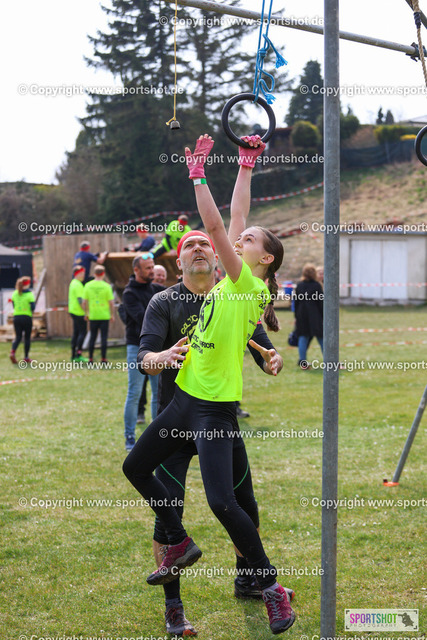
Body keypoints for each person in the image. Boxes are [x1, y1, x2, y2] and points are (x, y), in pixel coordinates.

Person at [123, 134, 295, 635]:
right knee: (135, 466)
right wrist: (245, 164)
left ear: (264, 260)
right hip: (183, 403)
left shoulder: (245, 284)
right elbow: (236, 217)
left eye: (249, 242)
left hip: (213, 410)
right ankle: (178, 542)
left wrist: (197, 174)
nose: (237, 241)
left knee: (224, 503)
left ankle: (269, 586)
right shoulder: (232, 280)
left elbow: (219, 225)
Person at [122, 253, 165, 451]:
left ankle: (157, 438)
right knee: (135, 393)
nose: (152, 271)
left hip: (158, 349)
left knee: (159, 394)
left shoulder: (156, 289)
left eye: (152, 267)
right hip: (136, 348)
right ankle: (130, 438)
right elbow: (144, 318)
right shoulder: (129, 293)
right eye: (148, 268)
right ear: (136, 270)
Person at [294, 263, 324, 369]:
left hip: (301, 315)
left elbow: (296, 302)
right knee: (321, 337)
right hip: (314, 316)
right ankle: (329, 360)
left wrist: (296, 316)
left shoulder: (299, 285)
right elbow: (321, 303)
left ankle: (302, 361)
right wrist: (323, 316)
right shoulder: (317, 286)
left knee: (303, 337)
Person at [82, 265, 115, 363]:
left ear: (94, 273)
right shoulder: (107, 286)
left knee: (92, 337)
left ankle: (90, 358)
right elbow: (111, 303)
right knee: (104, 338)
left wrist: (86, 313)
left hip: (93, 315)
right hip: (104, 315)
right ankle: (103, 358)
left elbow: (84, 302)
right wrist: (112, 314)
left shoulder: (88, 285)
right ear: (103, 273)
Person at [9, 276, 35, 364]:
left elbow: (13, 306)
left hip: (16, 317)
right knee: (27, 338)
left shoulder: (14, 294)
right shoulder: (29, 294)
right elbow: (33, 307)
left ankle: (12, 352)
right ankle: (26, 357)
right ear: (27, 285)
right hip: (26, 317)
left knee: (18, 337)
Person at [68, 266, 88, 362]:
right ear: (77, 274)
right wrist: (86, 312)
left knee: (76, 333)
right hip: (79, 312)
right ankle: (78, 354)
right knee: (82, 333)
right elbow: (80, 301)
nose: (84, 276)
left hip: (73, 311)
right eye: (82, 274)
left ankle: (73, 355)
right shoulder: (78, 285)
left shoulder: (73, 283)